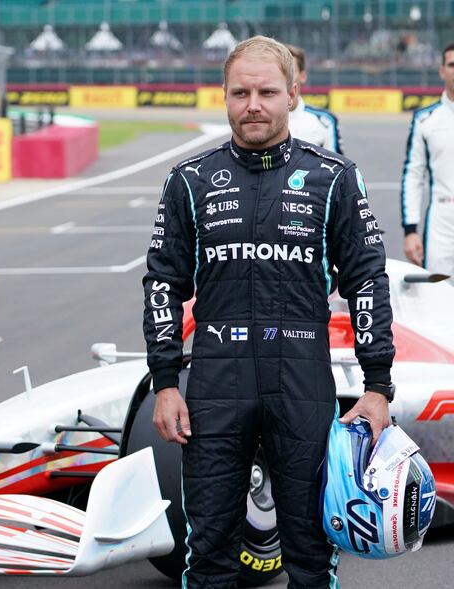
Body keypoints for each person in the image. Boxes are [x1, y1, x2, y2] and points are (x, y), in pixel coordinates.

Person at [143, 36, 395, 588]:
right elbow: (163, 284)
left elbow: (368, 282)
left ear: (293, 95)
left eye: (266, 92)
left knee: (310, 549)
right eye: (240, 93)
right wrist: (165, 383)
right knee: (208, 551)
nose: (252, 104)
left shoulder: (335, 178)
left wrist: (377, 386)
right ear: (224, 97)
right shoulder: (189, 180)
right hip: (215, 379)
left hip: (301, 376)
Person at [400, 42, 454, 276]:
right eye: (452, 65)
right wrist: (410, 230)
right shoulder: (425, 120)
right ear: (441, 70)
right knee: (440, 296)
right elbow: (412, 176)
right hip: (442, 221)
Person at [286, 44, 344, 154]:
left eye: (290, 72)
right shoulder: (259, 118)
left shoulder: (325, 120)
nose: (285, 78)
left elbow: (336, 168)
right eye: (281, 72)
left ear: (303, 76)